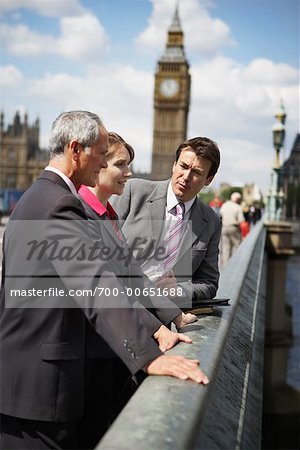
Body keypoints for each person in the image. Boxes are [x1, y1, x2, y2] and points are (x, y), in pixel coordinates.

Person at [0, 112, 208, 450]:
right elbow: (96, 284)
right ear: (75, 150)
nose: (102, 162)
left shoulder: (40, 196)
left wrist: (155, 329)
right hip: (36, 391)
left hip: (29, 382)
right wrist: (149, 357)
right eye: (100, 153)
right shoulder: (58, 203)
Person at [112, 136, 221, 305]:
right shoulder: (134, 192)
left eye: (197, 173)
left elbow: (209, 283)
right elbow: (99, 248)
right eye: (183, 166)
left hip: (162, 317)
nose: (186, 176)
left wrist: (178, 290)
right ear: (174, 165)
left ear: (209, 179)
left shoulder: (211, 221)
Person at [219, 191, 245, 266]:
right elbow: (241, 220)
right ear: (237, 199)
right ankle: (236, 265)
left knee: (225, 248)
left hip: (224, 228)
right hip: (234, 228)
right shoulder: (238, 207)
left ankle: (226, 266)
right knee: (237, 246)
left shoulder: (224, 205)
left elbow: (220, 215)